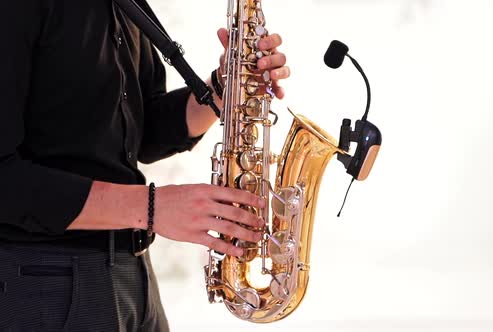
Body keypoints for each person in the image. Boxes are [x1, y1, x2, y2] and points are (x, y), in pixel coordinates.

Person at [0, 1, 289, 331]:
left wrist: (226, 87)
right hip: (44, 282)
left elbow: (145, 130)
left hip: (133, 276)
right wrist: (150, 208)